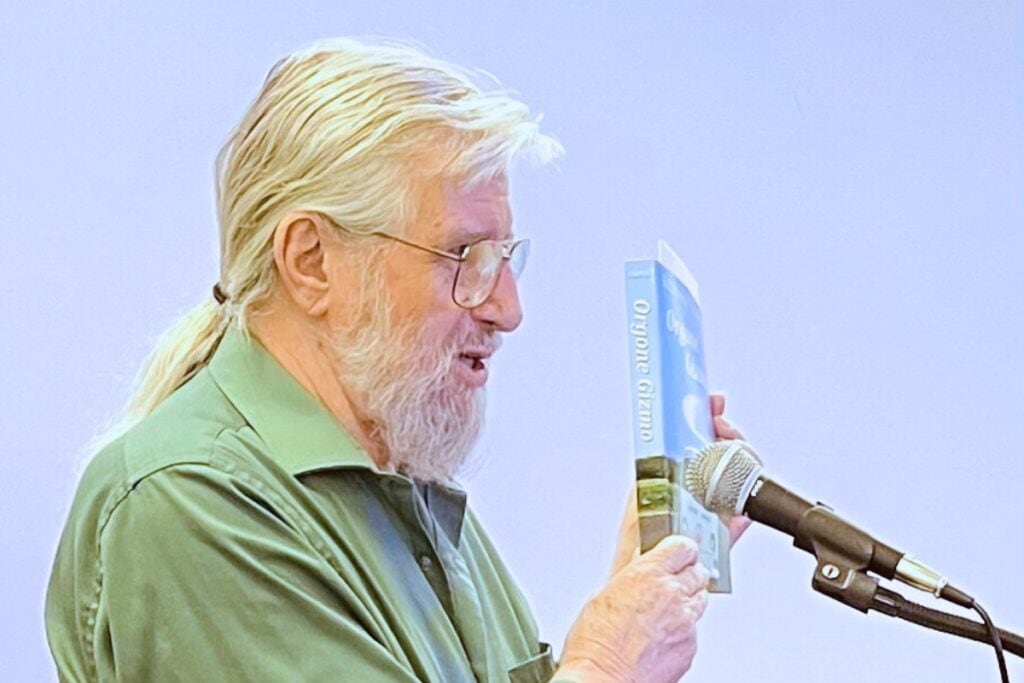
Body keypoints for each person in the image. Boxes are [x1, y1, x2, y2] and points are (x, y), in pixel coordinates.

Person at [46, 38, 749, 682]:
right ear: (311, 262)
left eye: (505, 258)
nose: (506, 307)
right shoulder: (189, 501)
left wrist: (640, 579)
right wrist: (606, 663)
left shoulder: (407, 492)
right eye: (464, 257)